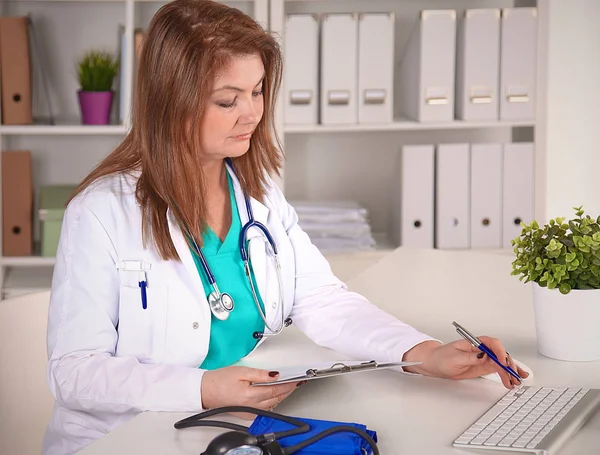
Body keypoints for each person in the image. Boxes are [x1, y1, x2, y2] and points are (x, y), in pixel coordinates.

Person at [42, 1, 528, 454]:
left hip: (228, 427)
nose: (252, 113)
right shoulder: (101, 212)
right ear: (172, 102)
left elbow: (322, 300)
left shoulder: (258, 193)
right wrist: (203, 388)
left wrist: (426, 354)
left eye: (256, 92)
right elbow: (75, 373)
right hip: (124, 439)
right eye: (227, 100)